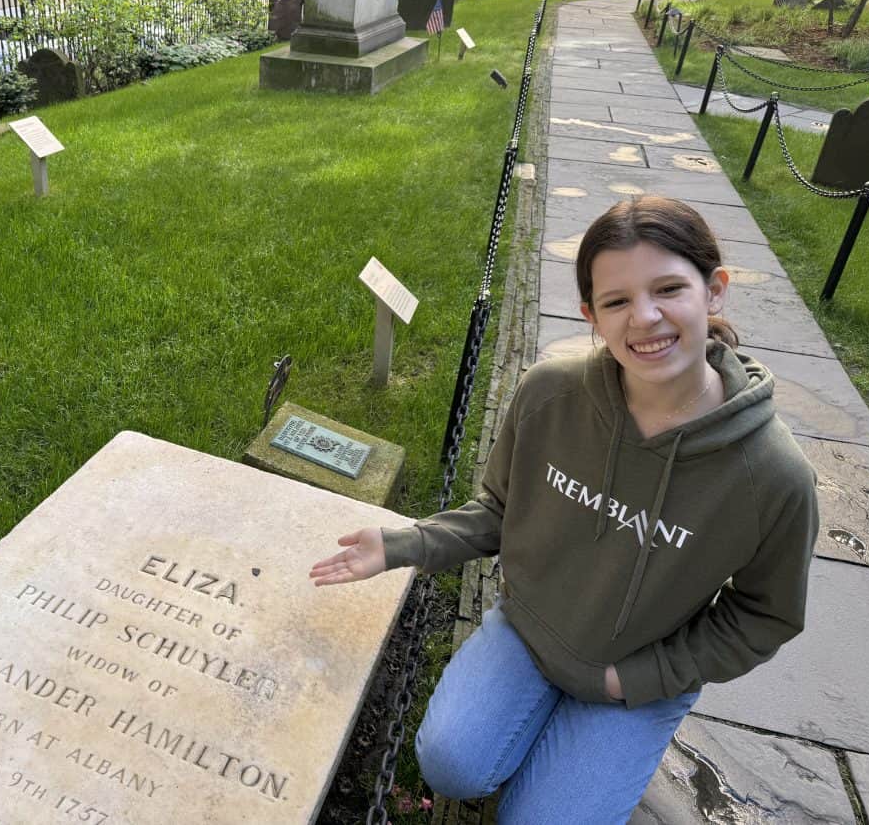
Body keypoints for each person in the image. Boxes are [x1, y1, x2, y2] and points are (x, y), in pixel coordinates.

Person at [308, 196, 818, 823]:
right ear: (591, 317)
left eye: (668, 288)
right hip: (531, 631)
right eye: (617, 301)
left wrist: (643, 676)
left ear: (714, 292)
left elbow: (766, 615)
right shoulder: (549, 392)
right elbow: (498, 509)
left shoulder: (773, 476)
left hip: (635, 677)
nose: (646, 318)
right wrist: (402, 545)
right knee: (450, 764)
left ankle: (611, 743)